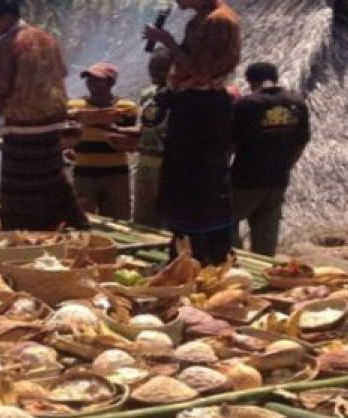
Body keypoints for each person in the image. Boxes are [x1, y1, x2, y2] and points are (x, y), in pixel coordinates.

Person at [0, 0, 87, 231]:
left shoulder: (7, 44)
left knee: (21, 188)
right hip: (52, 123)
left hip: (23, 127)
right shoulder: (47, 38)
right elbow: (61, 71)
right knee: (52, 178)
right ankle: (70, 223)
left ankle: (22, 233)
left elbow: (3, 85)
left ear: (6, 17)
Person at [143, 0, 242, 265]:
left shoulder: (219, 21)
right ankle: (184, 251)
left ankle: (209, 254)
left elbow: (201, 70)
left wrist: (166, 40)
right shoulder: (197, 21)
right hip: (190, 104)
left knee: (202, 181)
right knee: (181, 181)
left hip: (205, 108)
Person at [229, 62, 311, 257]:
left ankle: (236, 264)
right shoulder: (297, 103)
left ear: (251, 81)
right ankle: (264, 275)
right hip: (277, 179)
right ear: (274, 78)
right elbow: (301, 142)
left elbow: (230, 144)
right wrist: (286, 166)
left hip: (245, 179)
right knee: (266, 236)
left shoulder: (246, 104)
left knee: (224, 223)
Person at [66, 63, 138, 220]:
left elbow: (131, 140)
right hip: (84, 173)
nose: (90, 83)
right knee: (83, 218)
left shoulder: (126, 108)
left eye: (97, 80)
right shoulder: (74, 107)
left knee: (117, 220)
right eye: (89, 79)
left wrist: (106, 127)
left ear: (110, 82)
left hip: (116, 174)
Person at [130, 50, 172, 227]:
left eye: (161, 68)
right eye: (152, 67)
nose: (155, 72)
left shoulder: (180, 95)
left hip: (168, 165)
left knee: (166, 219)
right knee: (142, 216)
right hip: (145, 161)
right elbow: (145, 126)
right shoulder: (148, 95)